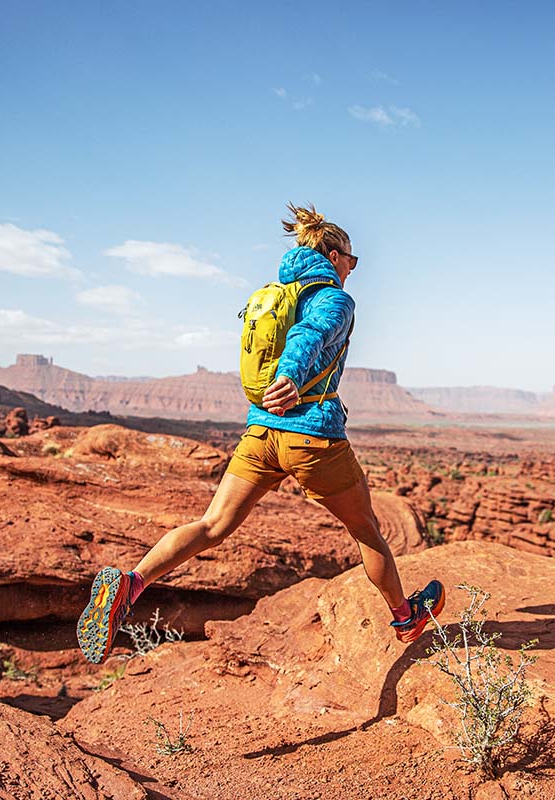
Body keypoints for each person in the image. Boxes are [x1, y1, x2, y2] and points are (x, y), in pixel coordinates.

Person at [77, 203, 444, 664]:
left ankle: (131, 584)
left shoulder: (274, 295)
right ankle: (406, 616)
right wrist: (291, 376)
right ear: (333, 255)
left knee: (213, 525)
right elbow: (309, 336)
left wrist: (279, 385)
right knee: (367, 530)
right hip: (311, 436)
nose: (352, 268)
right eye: (352, 259)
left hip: (260, 433)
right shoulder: (333, 297)